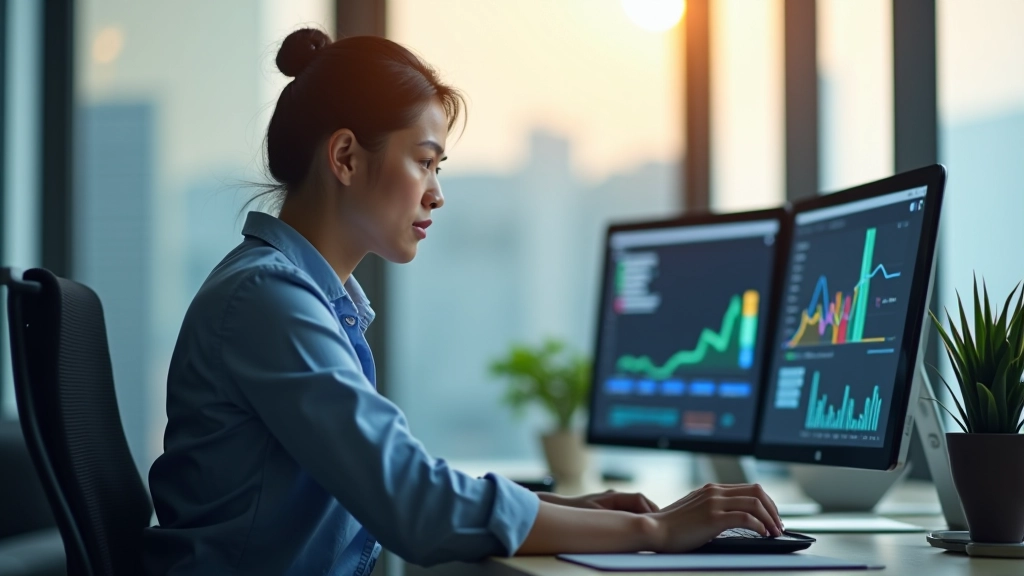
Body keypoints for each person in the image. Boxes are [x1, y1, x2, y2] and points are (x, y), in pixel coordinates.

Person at [142, 28, 785, 576]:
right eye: (424, 162)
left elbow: (406, 476)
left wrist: (570, 515)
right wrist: (655, 534)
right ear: (344, 157)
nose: (436, 195)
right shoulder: (270, 300)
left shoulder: (296, 296)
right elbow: (414, 504)